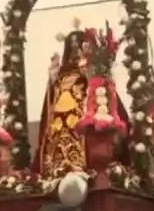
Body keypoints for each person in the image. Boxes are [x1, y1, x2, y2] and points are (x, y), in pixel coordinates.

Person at [32, 25, 130, 177]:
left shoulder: (91, 74)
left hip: (85, 134)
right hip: (59, 134)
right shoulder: (59, 78)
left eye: (78, 48)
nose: (75, 55)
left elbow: (105, 98)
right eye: (71, 50)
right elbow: (49, 109)